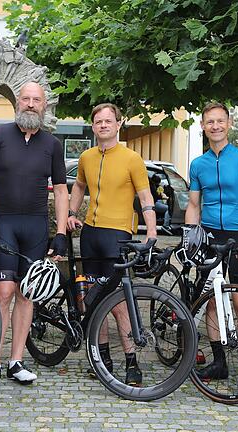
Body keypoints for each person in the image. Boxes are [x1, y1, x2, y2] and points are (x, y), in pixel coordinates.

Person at [0, 82, 69, 393]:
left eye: (36, 100)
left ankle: (16, 361)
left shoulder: (52, 145)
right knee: (2, 292)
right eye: (25, 99)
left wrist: (60, 232)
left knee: (27, 293)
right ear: (17, 103)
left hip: (36, 227)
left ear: (45, 105)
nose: (30, 104)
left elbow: (60, 189)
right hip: (4, 225)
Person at [67, 103, 158, 386]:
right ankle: (100, 359)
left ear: (118, 124)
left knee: (119, 303)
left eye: (108, 121)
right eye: (98, 121)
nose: (103, 125)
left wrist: (151, 233)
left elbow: (145, 198)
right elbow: (79, 186)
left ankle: (131, 362)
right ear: (93, 126)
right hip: (91, 234)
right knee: (92, 300)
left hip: (118, 235)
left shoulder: (132, 159)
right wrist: (71, 213)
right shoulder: (86, 157)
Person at [185, 102, 238, 393]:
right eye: (210, 122)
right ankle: (219, 362)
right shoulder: (198, 164)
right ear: (204, 126)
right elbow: (194, 205)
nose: (215, 126)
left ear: (228, 124)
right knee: (210, 301)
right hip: (209, 237)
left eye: (220, 121)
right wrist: (191, 237)